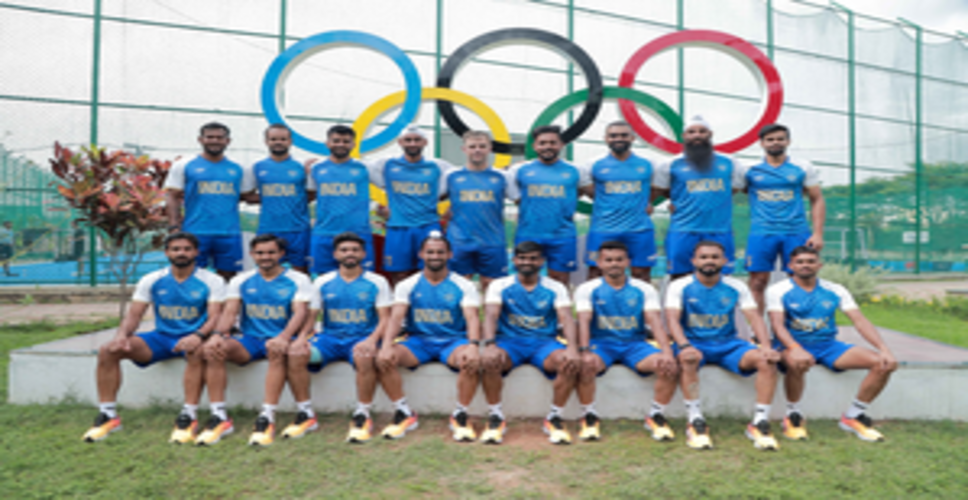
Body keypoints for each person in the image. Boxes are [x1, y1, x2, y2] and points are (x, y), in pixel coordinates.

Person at [82, 232, 225, 443]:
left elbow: (215, 317)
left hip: (194, 337)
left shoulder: (211, 280)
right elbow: (135, 314)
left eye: (187, 249)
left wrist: (198, 335)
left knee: (195, 352)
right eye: (176, 249)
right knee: (108, 350)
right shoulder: (152, 279)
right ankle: (108, 414)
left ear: (196, 252)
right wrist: (121, 335)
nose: (181, 253)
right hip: (162, 337)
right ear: (167, 252)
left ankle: (189, 414)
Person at [767, 246, 897, 442]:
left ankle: (852, 416)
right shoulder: (778, 290)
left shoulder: (835, 289)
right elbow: (777, 325)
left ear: (819, 265)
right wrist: (795, 349)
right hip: (792, 345)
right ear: (790, 265)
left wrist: (884, 350)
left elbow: (859, 320)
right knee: (797, 362)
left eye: (810, 261)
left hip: (828, 345)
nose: (805, 265)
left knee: (882, 364)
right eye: (800, 262)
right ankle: (793, 415)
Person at [664, 241, 781, 451]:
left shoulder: (736, 286)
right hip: (694, 343)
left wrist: (765, 346)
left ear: (725, 261)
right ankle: (695, 420)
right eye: (704, 257)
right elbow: (672, 319)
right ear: (694, 261)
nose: (709, 261)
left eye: (715, 257)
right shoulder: (679, 285)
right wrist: (683, 346)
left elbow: (753, 317)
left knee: (766, 361)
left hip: (728, 344)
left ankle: (760, 422)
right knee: (688, 359)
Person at [196, 234, 312, 446]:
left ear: (281, 254)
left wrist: (284, 337)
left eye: (271, 252)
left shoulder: (298, 279)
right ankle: (220, 416)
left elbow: (300, 313)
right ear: (252, 255)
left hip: (283, 337)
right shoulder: (241, 280)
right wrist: (217, 335)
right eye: (260, 253)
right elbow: (230, 312)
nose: (265, 257)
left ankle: (267, 416)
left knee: (275, 351)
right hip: (250, 339)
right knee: (213, 350)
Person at [284, 232, 393, 443]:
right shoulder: (323, 282)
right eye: (344, 250)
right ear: (335, 254)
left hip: (362, 337)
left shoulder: (377, 281)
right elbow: (311, 316)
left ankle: (362, 413)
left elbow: (385, 319)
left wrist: (372, 340)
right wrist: (300, 338)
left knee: (364, 356)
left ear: (363, 253)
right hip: (329, 339)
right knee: (296, 354)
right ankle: (305, 413)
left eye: (354, 250)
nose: (349, 254)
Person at [375, 232, 481, 441]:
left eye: (440, 252)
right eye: (430, 252)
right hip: (418, 341)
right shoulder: (408, 284)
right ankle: (403, 412)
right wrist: (386, 344)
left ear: (449, 254)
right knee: (384, 358)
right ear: (421, 254)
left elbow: (472, 318)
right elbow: (396, 318)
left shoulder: (464, 285)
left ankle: (460, 414)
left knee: (470, 361)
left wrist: (473, 345)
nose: (435, 256)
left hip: (452, 342)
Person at [574, 240, 678, 442]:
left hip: (635, 345)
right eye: (609, 260)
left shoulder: (644, 289)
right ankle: (589, 415)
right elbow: (584, 321)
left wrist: (666, 352)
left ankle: (656, 415)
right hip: (601, 344)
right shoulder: (587, 289)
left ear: (628, 262)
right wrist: (585, 351)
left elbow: (655, 322)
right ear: (599, 263)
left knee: (667, 365)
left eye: (619, 260)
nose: (614, 264)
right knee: (585, 366)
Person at [480, 241, 580, 445]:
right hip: (509, 342)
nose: (528, 262)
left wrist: (572, 348)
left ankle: (554, 417)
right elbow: (490, 315)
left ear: (542, 262)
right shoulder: (499, 285)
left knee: (568, 362)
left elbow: (566, 318)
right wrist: (490, 345)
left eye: (533, 258)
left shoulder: (555, 287)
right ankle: (496, 416)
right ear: (514, 260)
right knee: (490, 361)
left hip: (544, 343)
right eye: (523, 258)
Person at [652, 116, 746, 280]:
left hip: (719, 230)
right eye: (692, 132)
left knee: (722, 278)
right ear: (684, 136)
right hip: (683, 230)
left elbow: (734, 189)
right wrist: (680, 200)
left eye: (702, 131)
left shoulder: (730, 162)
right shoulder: (670, 164)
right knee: (679, 277)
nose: (697, 135)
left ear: (710, 134)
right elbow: (658, 190)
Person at [746, 124, 826, 313]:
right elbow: (728, 193)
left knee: (797, 280)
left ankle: (796, 329)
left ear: (788, 141)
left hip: (796, 232)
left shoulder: (802, 167)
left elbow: (817, 199)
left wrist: (818, 234)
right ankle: (757, 333)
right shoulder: (750, 170)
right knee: (757, 281)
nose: (775, 143)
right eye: (770, 139)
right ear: (762, 143)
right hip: (762, 232)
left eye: (780, 139)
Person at [164, 122, 255, 281]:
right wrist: (173, 226)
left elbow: (246, 196)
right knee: (191, 276)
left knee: (228, 278)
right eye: (210, 137)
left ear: (228, 141)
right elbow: (172, 195)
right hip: (195, 232)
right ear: (201, 139)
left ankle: (220, 306)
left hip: (229, 233)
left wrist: (295, 195)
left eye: (220, 137)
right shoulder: (184, 165)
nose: (215, 141)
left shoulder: (239, 168)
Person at [367, 125, 454, 286]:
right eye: (408, 140)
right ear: (400, 142)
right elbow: (356, 172)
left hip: (428, 226)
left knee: (433, 271)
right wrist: (375, 206)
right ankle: (401, 309)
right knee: (399, 275)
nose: (412, 143)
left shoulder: (438, 166)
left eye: (417, 140)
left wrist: (450, 207)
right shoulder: (386, 164)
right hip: (398, 227)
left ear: (425, 142)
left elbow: (459, 184)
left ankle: (428, 308)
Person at [505, 125, 588, 286]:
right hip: (528, 233)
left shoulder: (576, 170)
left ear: (561, 145)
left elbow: (587, 191)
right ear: (534, 146)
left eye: (552, 142)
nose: (547, 146)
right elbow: (516, 197)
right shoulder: (519, 170)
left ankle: (558, 311)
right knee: (525, 280)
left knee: (560, 282)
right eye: (542, 143)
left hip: (562, 236)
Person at [580, 121, 657, 282]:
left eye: (624, 135)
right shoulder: (593, 165)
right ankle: (594, 307)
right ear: (606, 139)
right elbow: (588, 190)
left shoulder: (649, 164)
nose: (618, 138)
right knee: (596, 273)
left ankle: (643, 307)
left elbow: (661, 188)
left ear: (633, 138)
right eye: (613, 135)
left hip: (639, 229)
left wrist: (647, 203)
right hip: (603, 229)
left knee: (641, 274)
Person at [443, 130, 509, 293]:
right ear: (464, 149)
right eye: (472, 146)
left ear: (490, 148)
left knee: (492, 288)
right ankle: (462, 320)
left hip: (492, 241)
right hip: (460, 241)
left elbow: (520, 199)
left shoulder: (502, 176)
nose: (477, 150)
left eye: (482, 146)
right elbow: (432, 198)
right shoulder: (451, 175)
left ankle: (489, 319)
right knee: (459, 288)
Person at [306, 125, 376, 275]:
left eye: (346, 141)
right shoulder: (316, 168)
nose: (341, 144)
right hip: (324, 233)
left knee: (362, 278)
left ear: (353, 144)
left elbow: (390, 185)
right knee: (323, 279)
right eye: (336, 140)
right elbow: (309, 195)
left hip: (358, 233)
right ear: (328, 143)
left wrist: (385, 208)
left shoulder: (365, 167)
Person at [248, 124, 311, 274]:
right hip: (268, 229)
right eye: (274, 139)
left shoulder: (302, 166)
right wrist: (271, 198)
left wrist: (295, 200)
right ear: (266, 141)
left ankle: (300, 298)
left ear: (290, 141)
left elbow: (312, 193)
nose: (278, 142)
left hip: (298, 229)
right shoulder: (257, 167)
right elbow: (247, 195)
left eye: (283, 139)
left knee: (301, 272)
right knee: (267, 270)